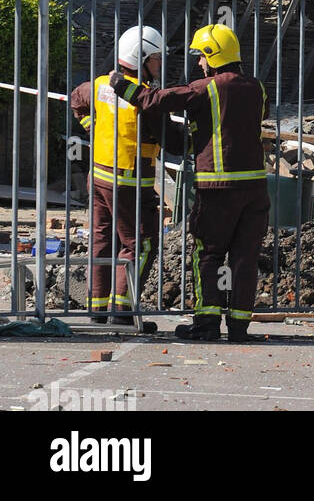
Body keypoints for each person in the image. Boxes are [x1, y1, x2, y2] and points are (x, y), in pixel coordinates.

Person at [111, 23, 270, 343]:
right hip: (255, 190)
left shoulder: (205, 88)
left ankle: (207, 325)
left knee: (207, 255)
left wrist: (121, 85)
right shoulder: (257, 88)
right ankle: (239, 329)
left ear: (213, 55)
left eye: (202, 56)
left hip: (217, 190)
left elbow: (155, 100)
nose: (199, 63)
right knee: (244, 258)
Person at [70, 25, 166, 327]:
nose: (160, 64)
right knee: (141, 243)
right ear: (142, 57)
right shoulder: (144, 99)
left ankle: (97, 307)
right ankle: (123, 310)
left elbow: (75, 99)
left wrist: (90, 125)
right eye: (156, 58)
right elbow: (170, 137)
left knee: (102, 239)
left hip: (98, 176)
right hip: (129, 182)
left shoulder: (99, 86)